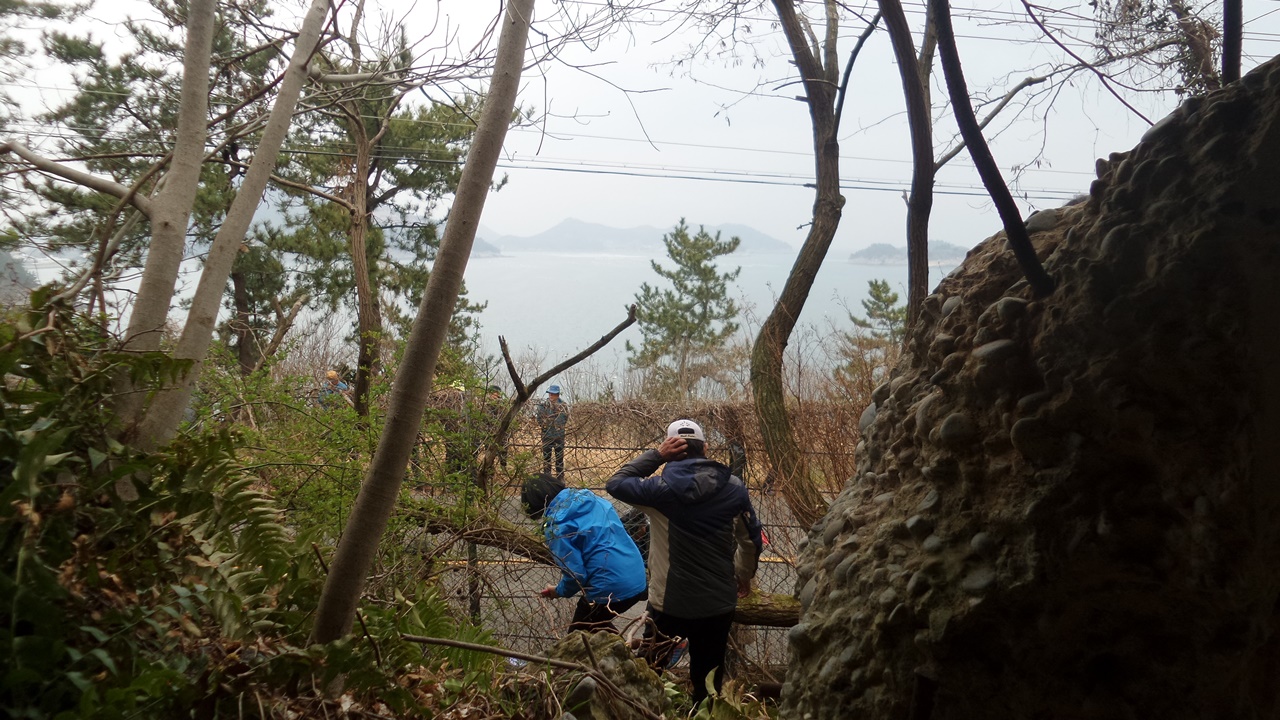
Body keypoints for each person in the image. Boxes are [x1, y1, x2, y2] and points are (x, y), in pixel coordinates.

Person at [605, 419, 764, 705]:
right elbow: (751, 540)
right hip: (717, 605)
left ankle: (647, 710)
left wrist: (657, 456)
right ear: (704, 448)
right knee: (708, 679)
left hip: (668, 605)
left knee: (650, 672)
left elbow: (616, 483)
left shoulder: (658, 491)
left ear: (672, 448)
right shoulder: (733, 487)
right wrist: (743, 575)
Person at [521, 473, 648, 633]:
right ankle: (636, 649)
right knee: (596, 627)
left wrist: (558, 591)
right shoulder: (593, 499)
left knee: (577, 639)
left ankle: (650, 650)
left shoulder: (556, 527)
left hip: (610, 589)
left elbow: (576, 575)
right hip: (637, 576)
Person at [535, 384, 569, 477]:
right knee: (546, 459)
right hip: (547, 435)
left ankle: (560, 477)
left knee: (559, 458)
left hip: (559, 436)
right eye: (550, 394)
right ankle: (547, 478)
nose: (551, 396)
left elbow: (565, 419)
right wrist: (545, 427)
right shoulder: (543, 406)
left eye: (553, 394)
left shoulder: (563, 406)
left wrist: (559, 427)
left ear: (557, 395)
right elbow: (539, 419)